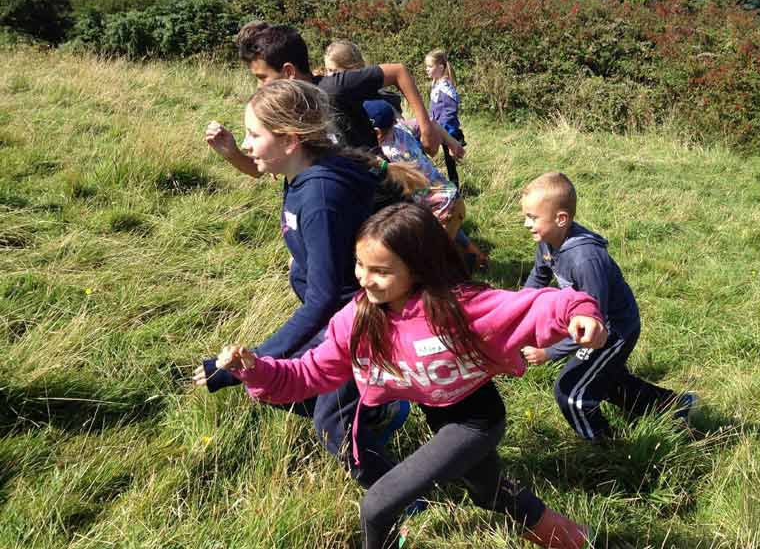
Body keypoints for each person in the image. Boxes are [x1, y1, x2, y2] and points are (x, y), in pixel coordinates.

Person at [212, 202, 607, 549]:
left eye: (381, 271)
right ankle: (579, 540)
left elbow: (535, 305)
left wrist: (580, 313)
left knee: (377, 505)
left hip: (476, 420)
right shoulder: (358, 319)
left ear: (417, 268)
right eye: (360, 265)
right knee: (491, 492)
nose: (365, 279)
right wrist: (255, 369)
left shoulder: (459, 307)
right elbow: (309, 372)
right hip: (437, 414)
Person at [193, 80, 428, 488]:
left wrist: (245, 363)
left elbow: (325, 298)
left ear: (290, 140)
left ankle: (402, 498)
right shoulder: (304, 172)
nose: (247, 144)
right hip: (339, 314)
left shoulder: (321, 194)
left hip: (362, 319)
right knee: (279, 384)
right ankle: (378, 409)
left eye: (253, 135)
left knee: (332, 424)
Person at [520, 172, 696, 441]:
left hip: (613, 330)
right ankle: (674, 405)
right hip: (590, 324)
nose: (526, 224)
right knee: (606, 380)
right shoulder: (547, 241)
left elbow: (595, 323)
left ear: (561, 219)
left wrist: (549, 352)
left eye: (533, 218)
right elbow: (538, 277)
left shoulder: (585, 259)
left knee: (572, 393)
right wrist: (516, 315)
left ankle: (608, 447)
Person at [205, 23, 442, 180]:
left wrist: (426, 128)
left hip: (377, 193)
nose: (259, 87)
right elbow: (260, 169)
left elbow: (398, 71)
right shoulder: (282, 115)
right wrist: (231, 152)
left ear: (288, 72)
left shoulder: (334, 88)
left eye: (262, 78)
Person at [362, 98, 487, 270]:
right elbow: (432, 123)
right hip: (448, 200)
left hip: (443, 207)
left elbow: (376, 167)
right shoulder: (403, 128)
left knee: (433, 256)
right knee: (451, 231)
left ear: (377, 132)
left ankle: (460, 274)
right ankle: (479, 258)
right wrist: (451, 142)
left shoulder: (386, 153)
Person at [323, 39, 465, 161]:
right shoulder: (335, 101)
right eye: (327, 71)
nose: (329, 77)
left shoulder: (377, 103)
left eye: (333, 71)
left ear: (354, 69)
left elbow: (407, 127)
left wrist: (448, 140)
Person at [425, 49, 464, 188]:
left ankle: (454, 187)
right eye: (426, 66)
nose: (427, 69)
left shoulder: (445, 87)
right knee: (446, 160)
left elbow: (450, 112)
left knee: (450, 162)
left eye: (430, 66)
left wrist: (447, 134)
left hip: (446, 130)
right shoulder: (437, 84)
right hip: (438, 129)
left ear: (440, 68)